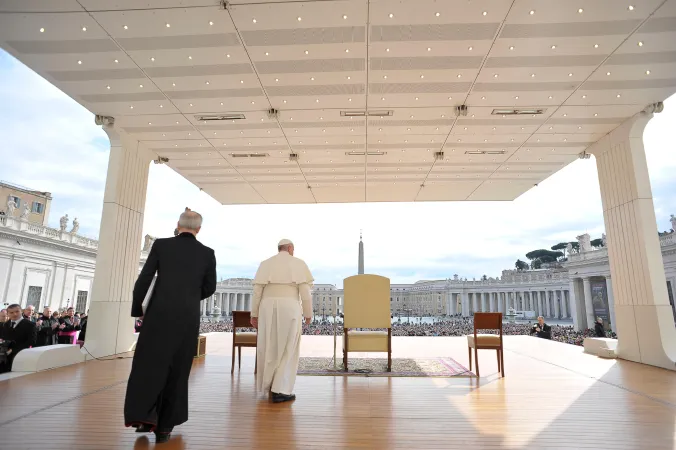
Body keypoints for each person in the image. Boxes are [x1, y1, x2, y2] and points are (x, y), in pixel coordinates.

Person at [124, 210, 216, 444]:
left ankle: (144, 417)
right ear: (199, 229)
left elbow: (144, 278)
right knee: (178, 369)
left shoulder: (161, 246)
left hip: (159, 314)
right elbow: (210, 287)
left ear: (178, 225)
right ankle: (164, 428)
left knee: (149, 364)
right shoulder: (207, 253)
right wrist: (191, 296)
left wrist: (138, 308)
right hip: (187, 317)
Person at [251, 239, 314, 403]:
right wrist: (308, 313)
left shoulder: (265, 264)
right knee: (289, 347)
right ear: (291, 248)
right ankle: (280, 389)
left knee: (269, 346)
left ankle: (269, 384)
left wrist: (254, 314)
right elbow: (305, 293)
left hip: (266, 306)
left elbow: (257, 291)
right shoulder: (298, 264)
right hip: (290, 306)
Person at [0, 304, 37, 372]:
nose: (15, 314)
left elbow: (32, 341)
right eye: (11, 312)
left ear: (21, 311)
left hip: (19, 356)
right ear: (8, 314)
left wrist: (13, 350)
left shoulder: (30, 325)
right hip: (4, 357)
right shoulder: (6, 324)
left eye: (17, 311)